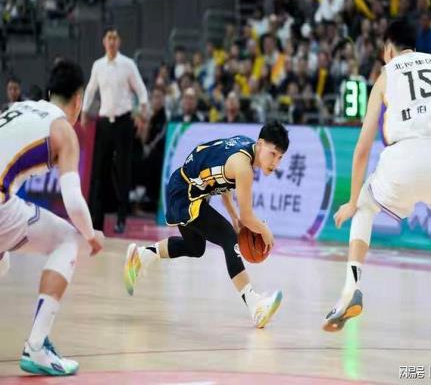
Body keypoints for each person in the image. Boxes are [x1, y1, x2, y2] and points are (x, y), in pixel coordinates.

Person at [323, 20, 431, 350]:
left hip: (403, 161)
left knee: (365, 206)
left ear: (389, 49)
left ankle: (350, 290)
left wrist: (352, 200)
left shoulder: (386, 75)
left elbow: (362, 149)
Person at [124, 122, 289, 328]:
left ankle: (140, 256)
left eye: (280, 157)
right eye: (273, 154)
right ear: (260, 144)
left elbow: (223, 181)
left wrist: (233, 216)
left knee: (195, 247)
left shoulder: (245, 146)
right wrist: (264, 231)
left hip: (185, 186)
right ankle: (256, 305)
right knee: (229, 238)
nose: (275, 162)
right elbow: (248, 217)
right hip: (185, 193)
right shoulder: (244, 168)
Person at [0, 60, 105, 376]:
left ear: (48, 93)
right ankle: (36, 346)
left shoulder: (18, 108)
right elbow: (73, 201)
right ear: (78, 100)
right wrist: (91, 236)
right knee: (67, 239)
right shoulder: (63, 130)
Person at [81, 27, 148, 234]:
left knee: (122, 171)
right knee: (99, 172)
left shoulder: (128, 64)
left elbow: (141, 89)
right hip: (104, 123)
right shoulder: (98, 65)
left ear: (119, 42)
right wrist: (84, 111)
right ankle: (96, 220)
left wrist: (142, 110)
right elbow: (90, 89)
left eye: (115, 38)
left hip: (123, 122)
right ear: (104, 41)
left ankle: (121, 217)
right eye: (109, 38)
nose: (111, 41)